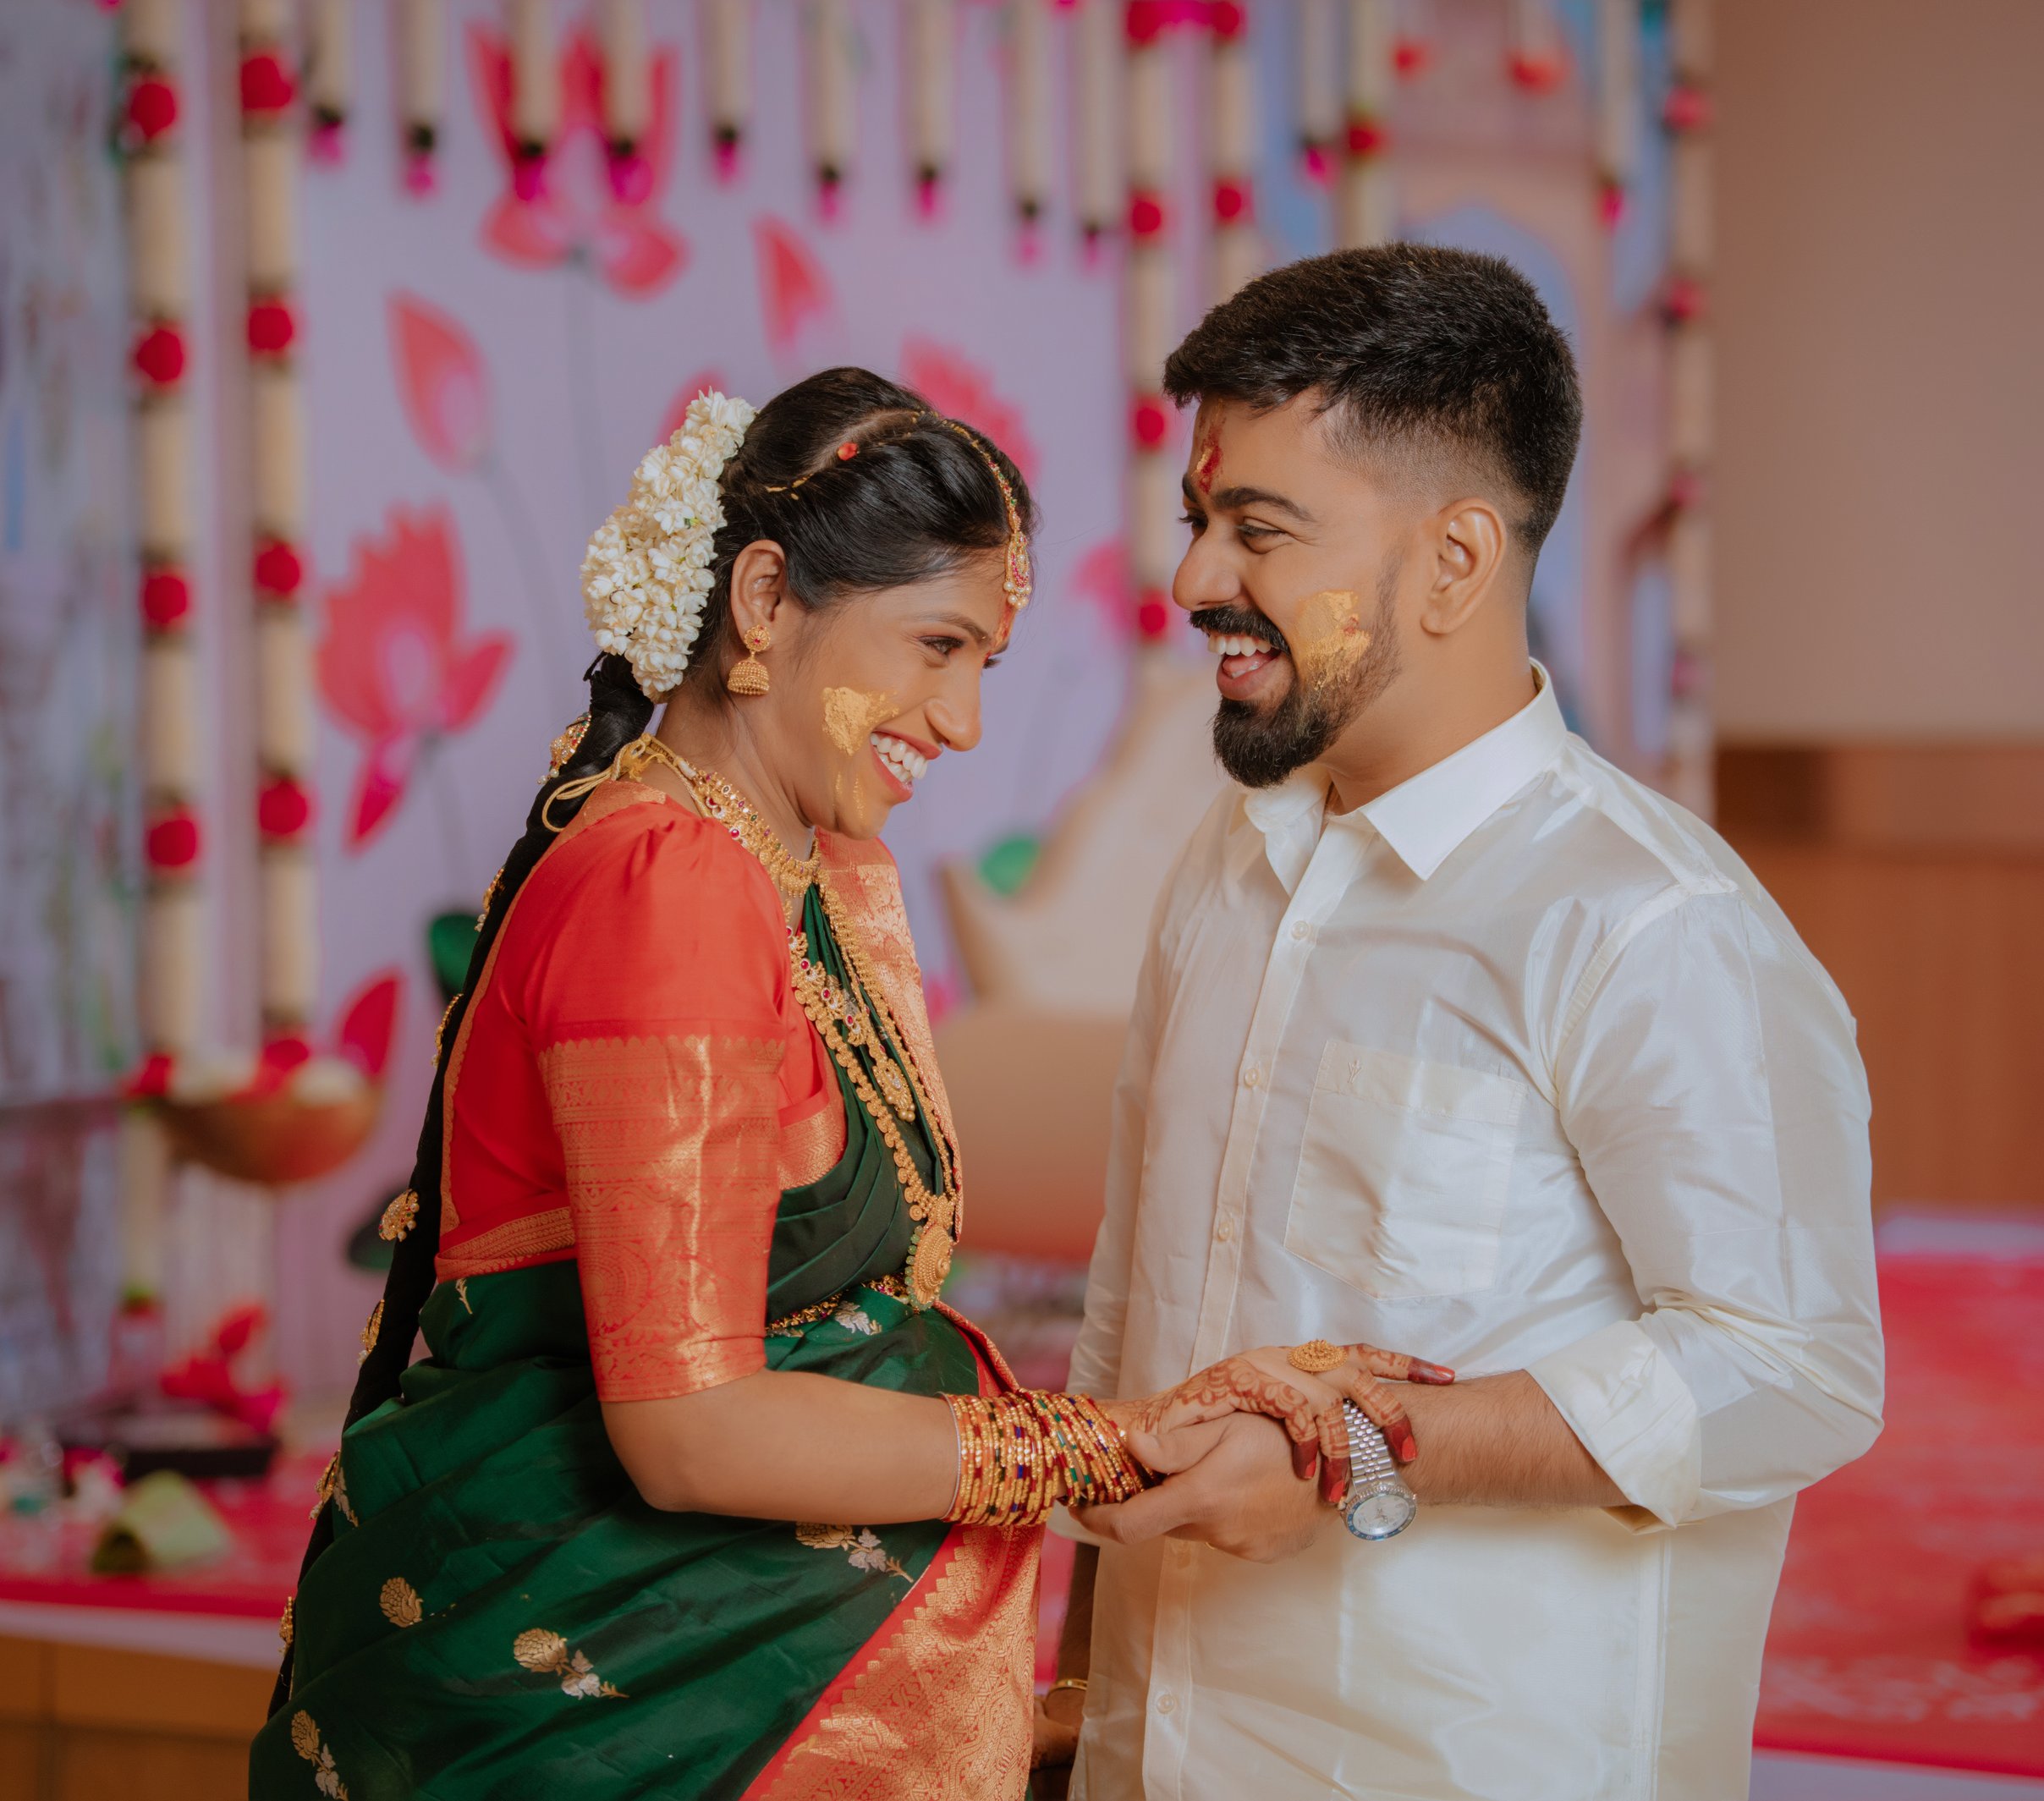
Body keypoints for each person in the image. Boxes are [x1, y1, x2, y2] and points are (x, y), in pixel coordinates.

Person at [252, 367, 1449, 1801]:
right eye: (936, 644)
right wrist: (1108, 1448)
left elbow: (837, 1321)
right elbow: (690, 1427)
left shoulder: (783, 870)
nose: (960, 722)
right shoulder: (669, 882)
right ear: (765, 603)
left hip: (712, 1677)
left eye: (984, 665)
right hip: (609, 1722)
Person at [1045, 247, 1886, 1799]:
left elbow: (1796, 1366)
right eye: (1197, 521)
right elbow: (1137, 1317)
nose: (1193, 584)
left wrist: (1358, 1451)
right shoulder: (1228, 868)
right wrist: (1079, 1694)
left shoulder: (1649, 925)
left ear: (1455, 559)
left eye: (1260, 530)